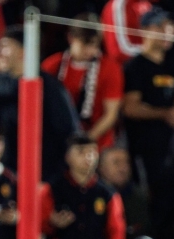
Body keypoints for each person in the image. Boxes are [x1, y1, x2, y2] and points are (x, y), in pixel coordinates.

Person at [0, 25, 80, 181]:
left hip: (42, 173)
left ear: (23, 52)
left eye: (5, 46)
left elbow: (68, 131)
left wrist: (54, 178)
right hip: (4, 173)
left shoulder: (49, 88)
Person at [122, 7, 174, 231]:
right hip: (146, 151)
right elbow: (130, 108)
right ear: (144, 30)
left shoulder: (172, 63)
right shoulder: (136, 67)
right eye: (160, 26)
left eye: (170, 26)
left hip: (171, 150)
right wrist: (165, 113)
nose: (167, 32)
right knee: (154, 208)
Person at [41, 13, 124, 151]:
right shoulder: (51, 65)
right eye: (85, 44)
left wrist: (84, 142)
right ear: (71, 38)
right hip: (59, 141)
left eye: (95, 44)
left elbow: (111, 114)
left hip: (97, 145)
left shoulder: (110, 68)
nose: (90, 50)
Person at [98, 146, 151, 239]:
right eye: (116, 162)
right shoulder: (92, 195)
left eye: (126, 162)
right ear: (101, 167)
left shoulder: (139, 198)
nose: (123, 168)